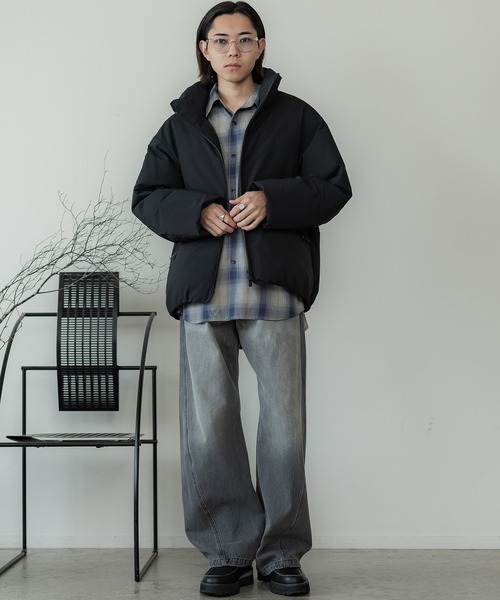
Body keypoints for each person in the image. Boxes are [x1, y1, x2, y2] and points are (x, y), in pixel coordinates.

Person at [132, 1, 351, 595]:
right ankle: (227, 550)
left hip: (274, 293)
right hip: (203, 296)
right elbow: (147, 195)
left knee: (284, 429)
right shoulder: (179, 125)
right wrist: (196, 211)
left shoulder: (297, 117)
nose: (234, 50)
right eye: (222, 39)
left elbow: (334, 187)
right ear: (204, 49)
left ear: (261, 46)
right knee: (210, 428)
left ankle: (281, 555)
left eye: (245, 38)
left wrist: (272, 200)